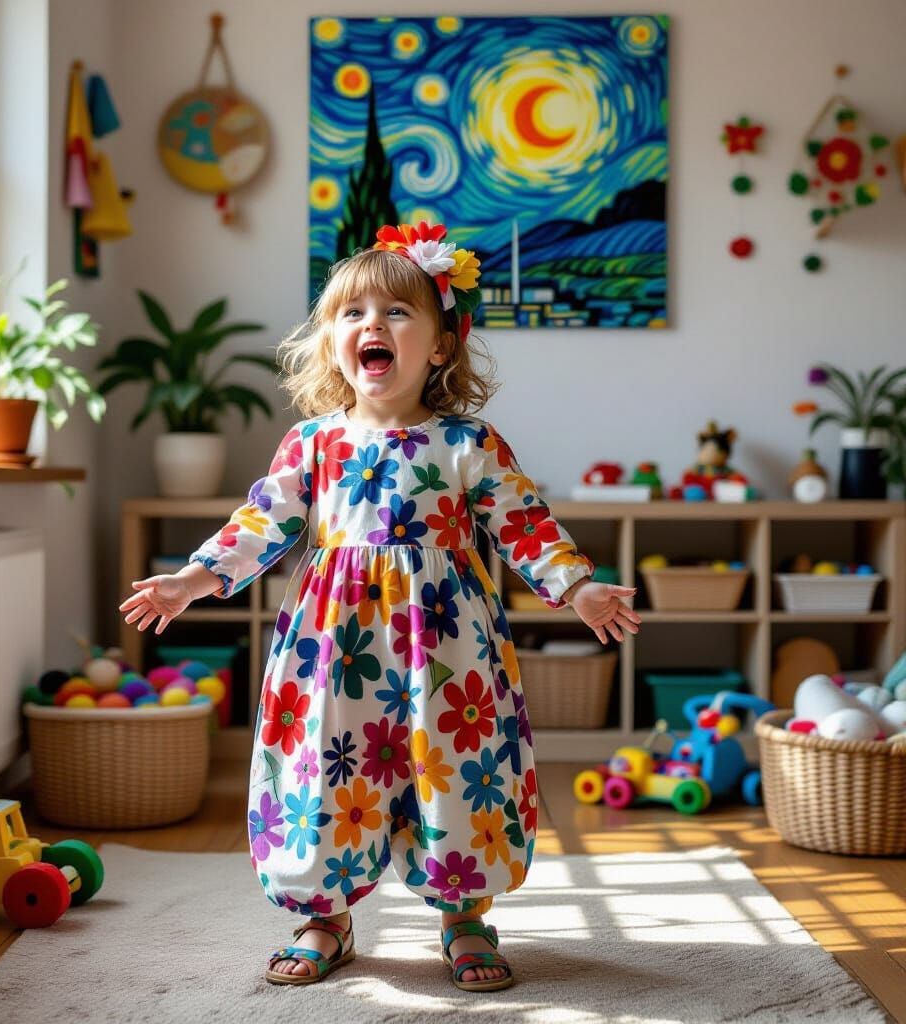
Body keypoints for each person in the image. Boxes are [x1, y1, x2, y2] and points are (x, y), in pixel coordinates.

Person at [118, 221, 641, 992]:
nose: (373, 326)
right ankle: (325, 917)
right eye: (353, 314)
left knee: (460, 772)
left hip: (450, 655)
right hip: (334, 651)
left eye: (397, 313)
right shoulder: (313, 444)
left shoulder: (468, 442)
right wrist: (192, 579)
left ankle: (465, 914)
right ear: (333, 343)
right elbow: (262, 523)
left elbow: (524, 524)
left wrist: (577, 585)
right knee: (325, 776)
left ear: (438, 347)